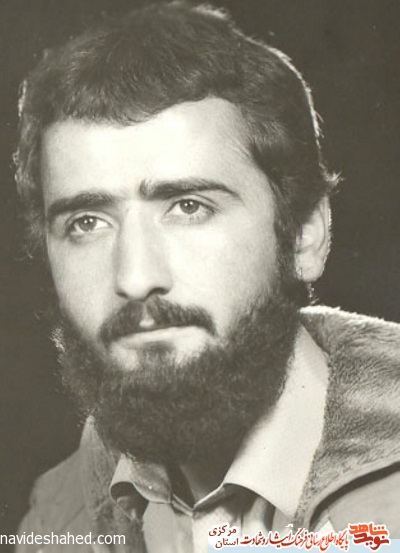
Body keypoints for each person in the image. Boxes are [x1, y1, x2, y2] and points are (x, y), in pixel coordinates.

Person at [15, 1, 400, 551]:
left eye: (189, 207)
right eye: (88, 222)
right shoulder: (56, 518)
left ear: (304, 237)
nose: (136, 278)